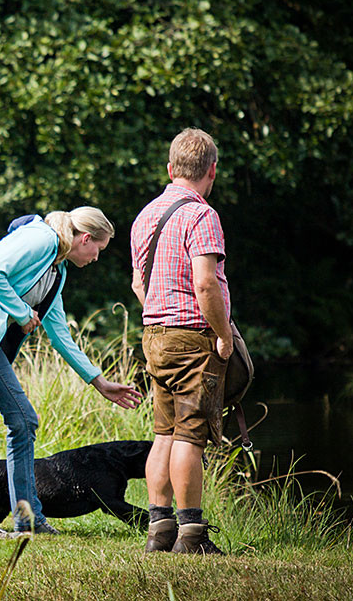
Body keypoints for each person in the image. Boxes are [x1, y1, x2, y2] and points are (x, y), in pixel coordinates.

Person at [0, 207, 144, 540]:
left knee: (23, 420)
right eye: (98, 250)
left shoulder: (56, 270)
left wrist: (98, 381)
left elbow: (59, 332)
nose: (96, 258)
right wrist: (20, 311)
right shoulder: (41, 238)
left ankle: (29, 519)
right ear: (85, 238)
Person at [130, 128, 230, 555]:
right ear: (211, 171)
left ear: (171, 170)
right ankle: (191, 535)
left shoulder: (145, 217)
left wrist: (160, 314)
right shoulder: (202, 216)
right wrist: (222, 335)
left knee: (164, 432)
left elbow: (139, 283)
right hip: (192, 338)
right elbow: (206, 285)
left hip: (154, 336)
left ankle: (159, 528)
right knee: (191, 434)